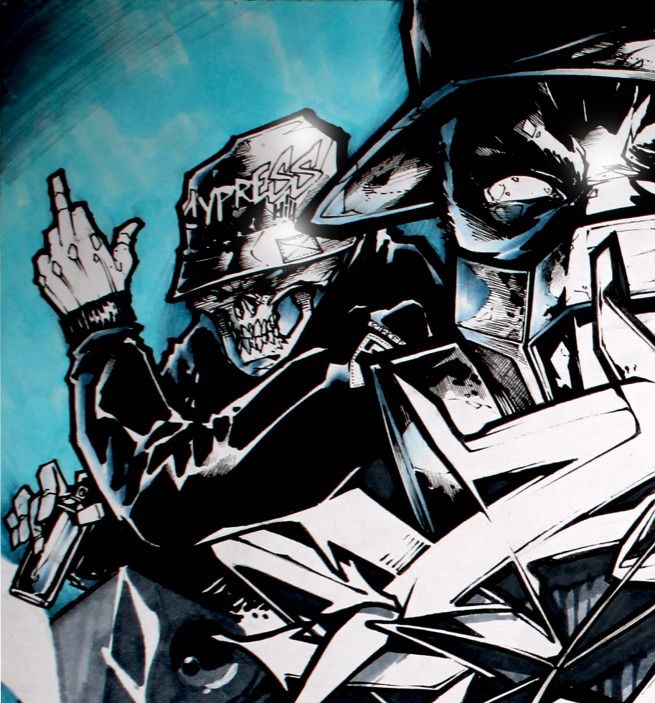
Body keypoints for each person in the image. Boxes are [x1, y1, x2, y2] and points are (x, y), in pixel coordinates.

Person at [27, 113, 444, 562]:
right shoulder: (211, 348)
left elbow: (175, 504)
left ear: (338, 268)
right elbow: (163, 480)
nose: (247, 317)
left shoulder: (385, 336)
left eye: (270, 288)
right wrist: (86, 530)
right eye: (224, 300)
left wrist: (100, 331)